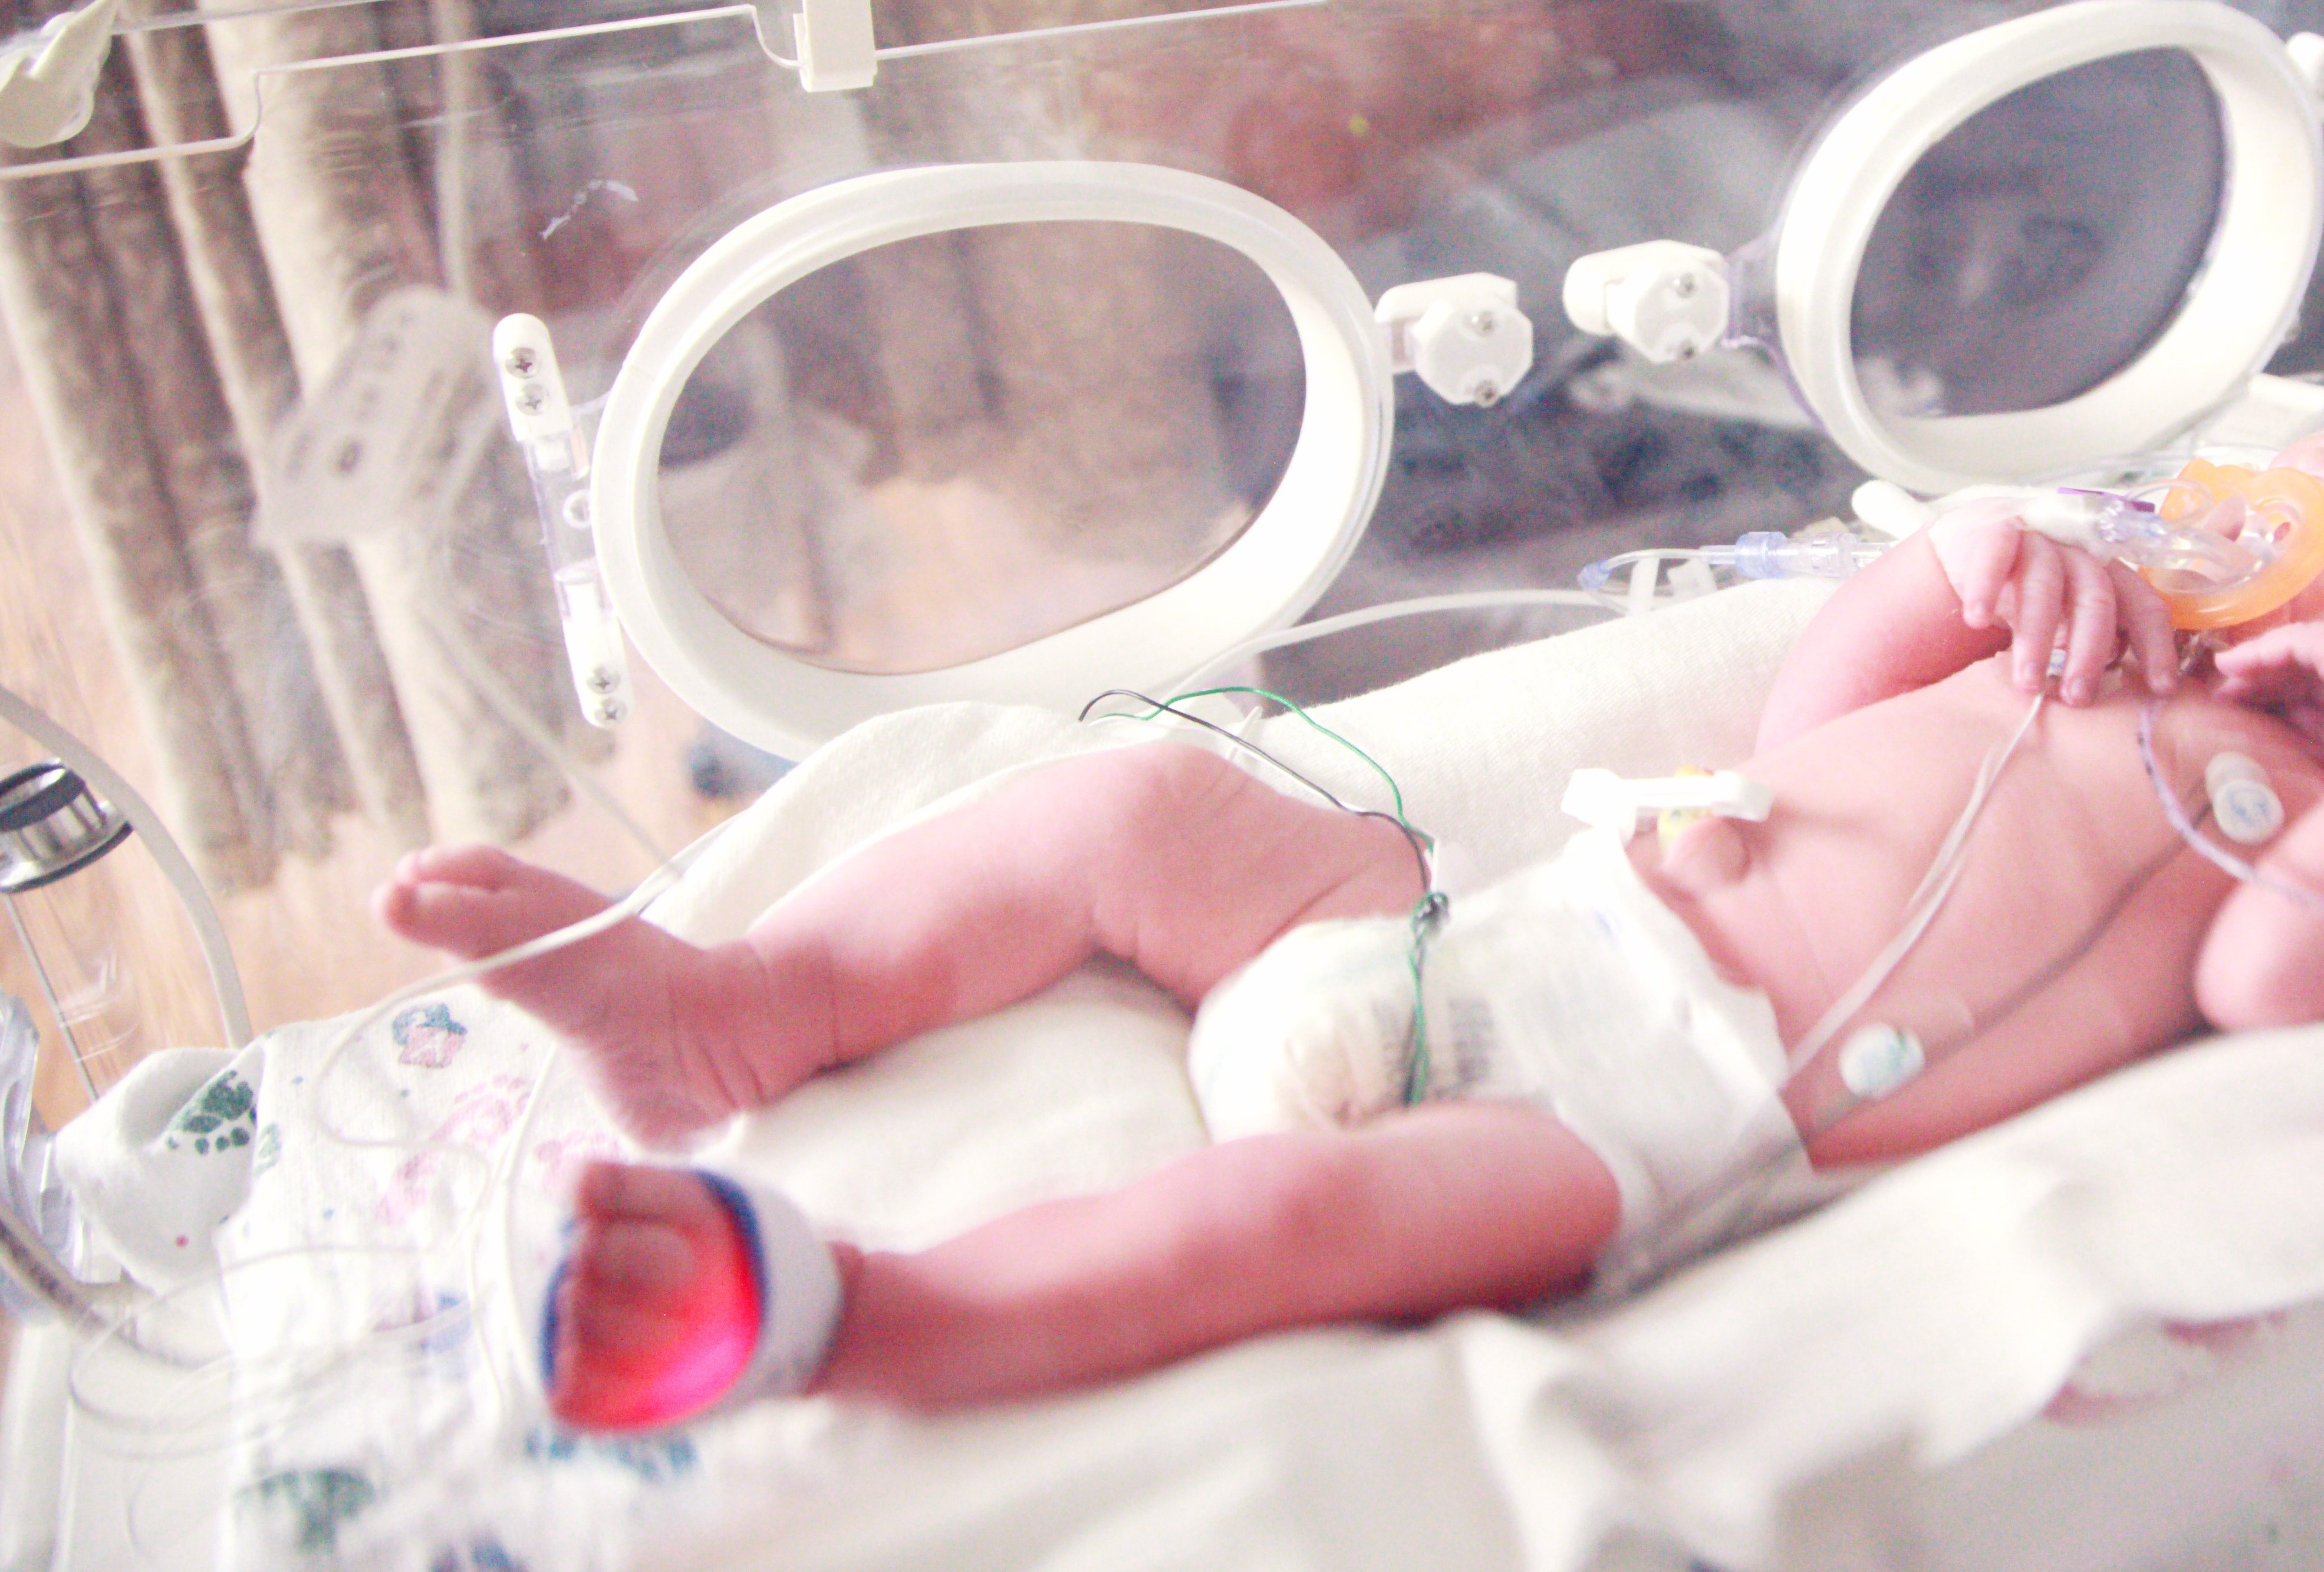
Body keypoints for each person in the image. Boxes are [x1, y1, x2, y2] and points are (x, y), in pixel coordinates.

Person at [377, 478, 2324, 1432]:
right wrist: (1963, 564)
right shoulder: (2113, 660)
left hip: (1645, 1116)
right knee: (1143, 810)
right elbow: (1809, 727)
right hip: (1491, 924)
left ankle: (866, 1313)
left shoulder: (2267, 868)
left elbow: (2261, 993)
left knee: (1293, 1225)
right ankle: (742, 1005)